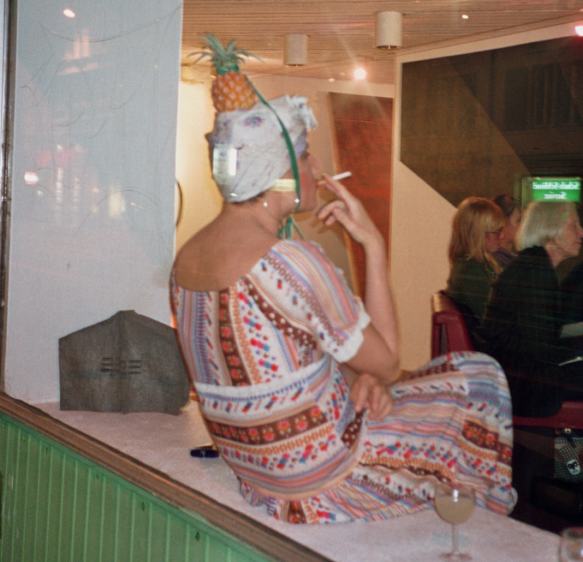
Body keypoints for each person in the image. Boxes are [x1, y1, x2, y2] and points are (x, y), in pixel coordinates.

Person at [170, 86, 517, 524]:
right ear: (278, 172)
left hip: (259, 470)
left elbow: (287, 359)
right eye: (307, 156)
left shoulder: (186, 257)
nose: (318, 168)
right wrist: (371, 244)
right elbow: (389, 365)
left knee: (396, 384)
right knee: (482, 376)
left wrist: (358, 377)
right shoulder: (290, 261)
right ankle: (488, 527)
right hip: (325, 476)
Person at [483, 201, 583, 418]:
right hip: (519, 387)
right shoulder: (535, 271)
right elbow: (542, 350)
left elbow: (550, 332)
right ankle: (576, 451)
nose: (582, 233)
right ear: (551, 231)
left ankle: (576, 451)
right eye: (574, 225)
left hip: (514, 377)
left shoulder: (535, 265)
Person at [444, 197, 508, 346]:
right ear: (477, 233)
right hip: (490, 352)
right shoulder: (470, 271)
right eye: (496, 231)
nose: (502, 236)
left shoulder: (483, 262)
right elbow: (494, 324)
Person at [491, 194, 523, 268]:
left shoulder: (514, 257)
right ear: (502, 222)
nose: (523, 225)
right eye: (519, 220)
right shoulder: (497, 261)